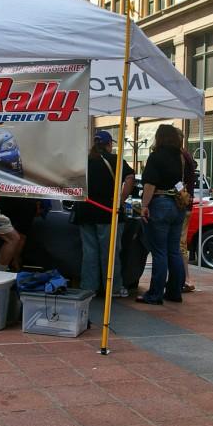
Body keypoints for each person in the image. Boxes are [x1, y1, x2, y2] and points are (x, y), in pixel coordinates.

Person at [76, 130, 134, 298]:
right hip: (108, 212)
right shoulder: (115, 160)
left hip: (85, 211)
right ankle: (113, 288)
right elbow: (130, 177)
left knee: (89, 252)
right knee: (110, 253)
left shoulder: (84, 161)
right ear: (109, 144)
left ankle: (89, 288)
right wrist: (121, 200)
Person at [137, 124, 185, 305]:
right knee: (174, 251)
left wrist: (144, 206)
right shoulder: (179, 157)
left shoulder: (155, 157)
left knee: (159, 252)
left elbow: (149, 184)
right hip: (177, 205)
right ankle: (174, 291)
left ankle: (155, 294)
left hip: (160, 203)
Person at [179, 132, 198, 293]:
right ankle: (185, 278)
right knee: (181, 243)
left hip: (181, 205)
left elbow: (179, 182)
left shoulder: (180, 156)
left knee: (179, 244)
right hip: (186, 205)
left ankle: (185, 278)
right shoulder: (187, 155)